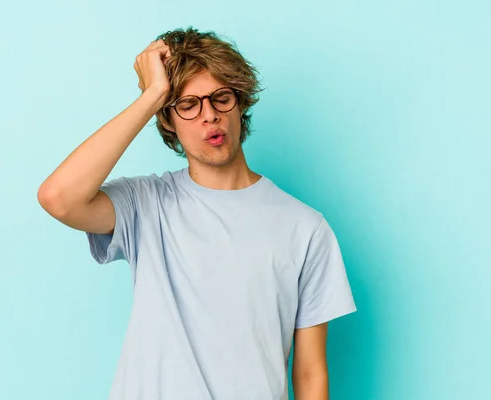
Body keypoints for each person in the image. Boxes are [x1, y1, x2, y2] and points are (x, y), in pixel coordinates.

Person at [38, 26, 356, 400]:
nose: (209, 116)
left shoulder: (306, 228)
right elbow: (59, 198)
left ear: (240, 103)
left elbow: (310, 371)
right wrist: (152, 95)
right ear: (167, 120)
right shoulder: (146, 203)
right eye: (188, 105)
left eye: (221, 98)